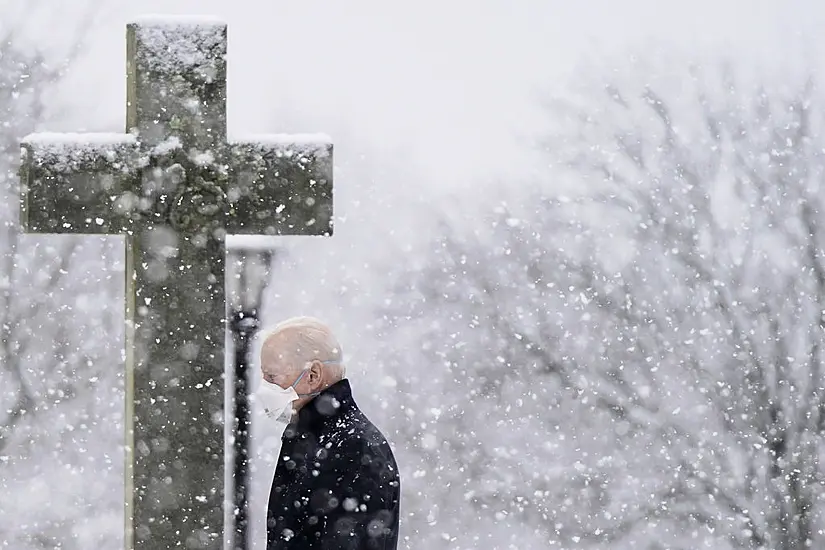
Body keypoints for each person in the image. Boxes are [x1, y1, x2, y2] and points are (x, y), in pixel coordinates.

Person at [257, 316, 400, 550]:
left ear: (313, 375)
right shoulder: (316, 439)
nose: (264, 388)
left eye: (272, 377)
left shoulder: (354, 448)